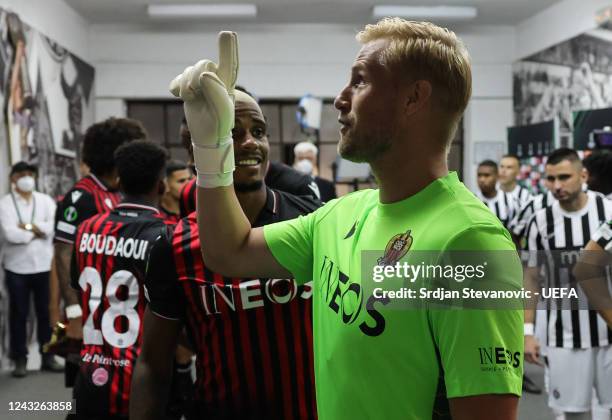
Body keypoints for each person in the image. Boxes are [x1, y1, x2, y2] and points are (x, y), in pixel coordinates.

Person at [169, 20, 523, 419]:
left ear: (413, 98)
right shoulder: (343, 214)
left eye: (359, 81)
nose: (340, 99)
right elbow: (228, 251)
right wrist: (211, 147)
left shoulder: (470, 243)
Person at [132, 89, 320, 420]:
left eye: (258, 132)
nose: (250, 143)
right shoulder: (173, 247)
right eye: (231, 133)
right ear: (194, 149)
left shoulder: (317, 222)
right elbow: (153, 363)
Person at [68, 140, 169, 419]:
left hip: (89, 376)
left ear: (119, 181)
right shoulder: (165, 237)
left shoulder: (86, 229)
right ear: (162, 186)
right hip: (141, 384)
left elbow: (81, 294)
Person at [52, 117, 147, 388]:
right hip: (88, 310)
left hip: (117, 307)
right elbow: (62, 253)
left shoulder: (117, 193)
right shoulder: (81, 196)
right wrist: (73, 311)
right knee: (88, 386)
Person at [524, 148, 612, 419]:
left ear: (583, 175)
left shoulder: (607, 210)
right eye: (551, 179)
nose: (557, 186)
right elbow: (531, 277)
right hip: (563, 333)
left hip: (608, 334)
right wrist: (527, 331)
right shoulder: (540, 221)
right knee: (572, 414)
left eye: (564, 177)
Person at [0, 162, 61, 377]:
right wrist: (37, 229)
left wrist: (25, 227)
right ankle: (19, 359)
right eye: (22, 174)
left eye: (30, 174)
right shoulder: (5, 204)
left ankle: (48, 356)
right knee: (19, 314)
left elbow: (53, 227)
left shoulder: (45, 201)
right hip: (16, 267)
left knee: (47, 312)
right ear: (13, 179)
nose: (27, 178)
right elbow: (10, 234)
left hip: (45, 265)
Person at [476, 160, 517, 229]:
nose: (482, 179)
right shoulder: (472, 200)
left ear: (497, 177)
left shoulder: (511, 201)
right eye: (479, 175)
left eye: (487, 175)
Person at [160, 159, 192, 225]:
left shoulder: (197, 212)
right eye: (181, 181)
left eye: (189, 179)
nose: (189, 184)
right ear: (166, 184)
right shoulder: (157, 217)